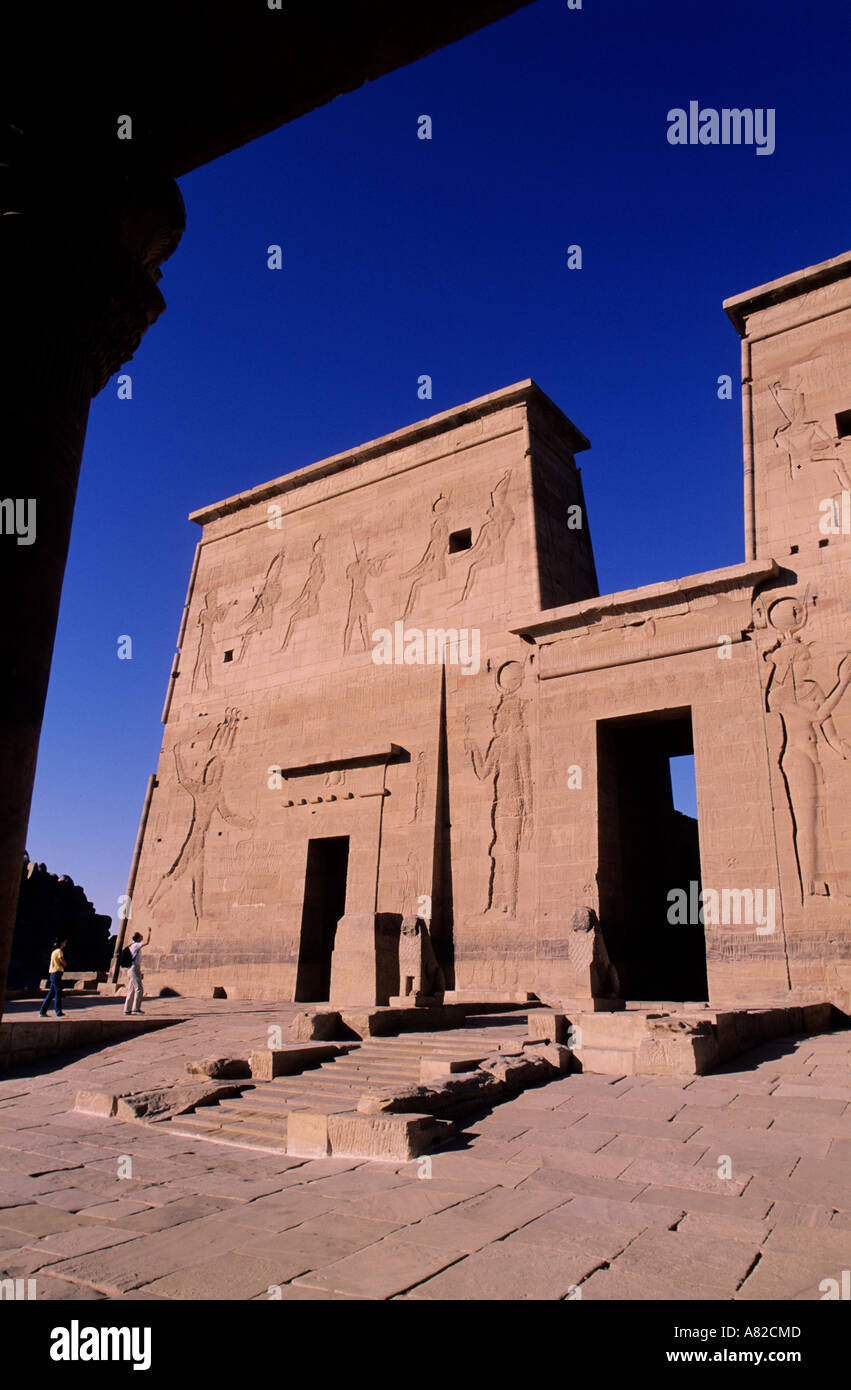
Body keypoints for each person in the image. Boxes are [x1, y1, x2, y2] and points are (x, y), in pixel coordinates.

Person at [124, 928, 152, 1015]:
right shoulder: (136, 945)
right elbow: (147, 942)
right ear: (138, 938)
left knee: (131, 989)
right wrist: (149, 932)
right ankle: (136, 1009)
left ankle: (127, 1009)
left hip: (130, 968)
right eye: (141, 936)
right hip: (134, 968)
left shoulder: (131, 945)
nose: (142, 937)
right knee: (139, 989)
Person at [39, 939, 67, 1017]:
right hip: (57, 973)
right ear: (61, 943)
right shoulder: (59, 951)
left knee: (51, 994)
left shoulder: (54, 951)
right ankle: (58, 1012)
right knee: (58, 992)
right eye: (64, 942)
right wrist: (65, 963)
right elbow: (61, 960)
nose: (65, 943)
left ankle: (42, 1011)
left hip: (53, 973)